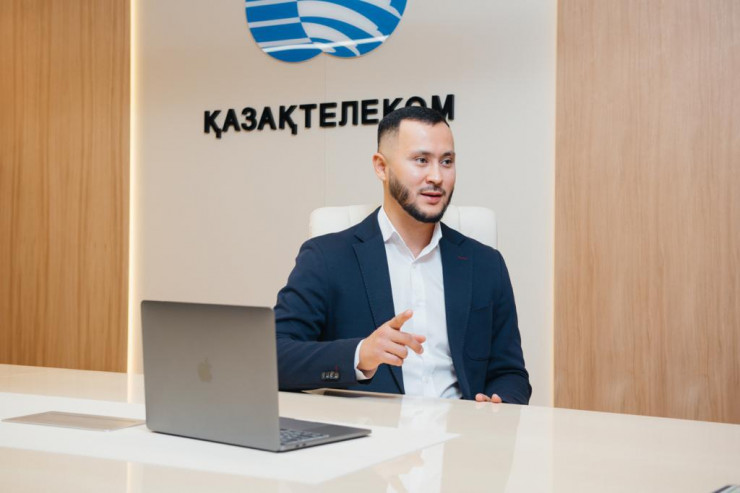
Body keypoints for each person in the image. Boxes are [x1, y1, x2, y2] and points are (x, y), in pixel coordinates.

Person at [274, 106, 531, 404]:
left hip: (462, 429)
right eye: (421, 160)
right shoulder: (326, 258)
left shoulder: (486, 264)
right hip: (370, 431)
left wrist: (499, 403)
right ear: (381, 167)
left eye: (446, 162)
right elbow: (273, 356)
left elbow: (510, 373)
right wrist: (360, 354)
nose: (437, 176)